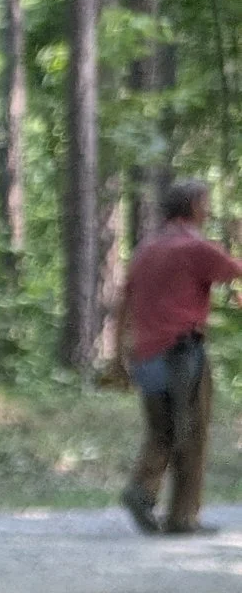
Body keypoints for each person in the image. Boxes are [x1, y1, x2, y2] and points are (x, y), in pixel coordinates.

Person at [114, 179, 242, 537]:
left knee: (161, 429)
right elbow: (234, 272)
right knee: (193, 431)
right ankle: (182, 517)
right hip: (182, 351)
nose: (210, 210)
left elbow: (123, 300)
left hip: (145, 352)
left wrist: (117, 355)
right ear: (194, 206)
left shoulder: (147, 248)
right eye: (206, 203)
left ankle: (141, 489)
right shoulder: (195, 246)